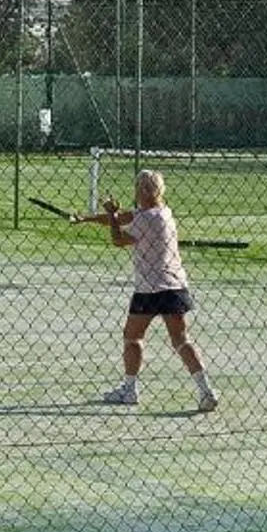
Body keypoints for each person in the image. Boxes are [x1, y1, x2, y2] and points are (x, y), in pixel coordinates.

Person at [75, 169, 217, 412]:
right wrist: (87, 219)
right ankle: (206, 391)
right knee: (181, 339)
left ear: (143, 191)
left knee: (132, 336)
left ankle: (129, 389)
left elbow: (118, 239)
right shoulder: (163, 212)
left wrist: (110, 215)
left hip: (150, 288)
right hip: (175, 286)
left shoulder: (146, 220)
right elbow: (124, 217)